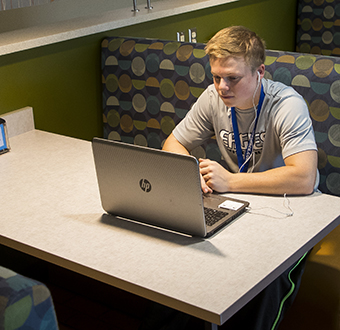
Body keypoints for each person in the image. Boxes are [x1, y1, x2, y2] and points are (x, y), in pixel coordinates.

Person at [140, 26, 318, 330]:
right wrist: (190, 172)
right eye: (216, 77)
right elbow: (173, 143)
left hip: (292, 212)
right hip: (237, 204)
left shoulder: (288, 105)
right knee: (176, 263)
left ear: (259, 71)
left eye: (233, 78)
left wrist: (230, 182)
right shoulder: (213, 98)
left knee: (265, 282)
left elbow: (303, 177)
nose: (222, 87)